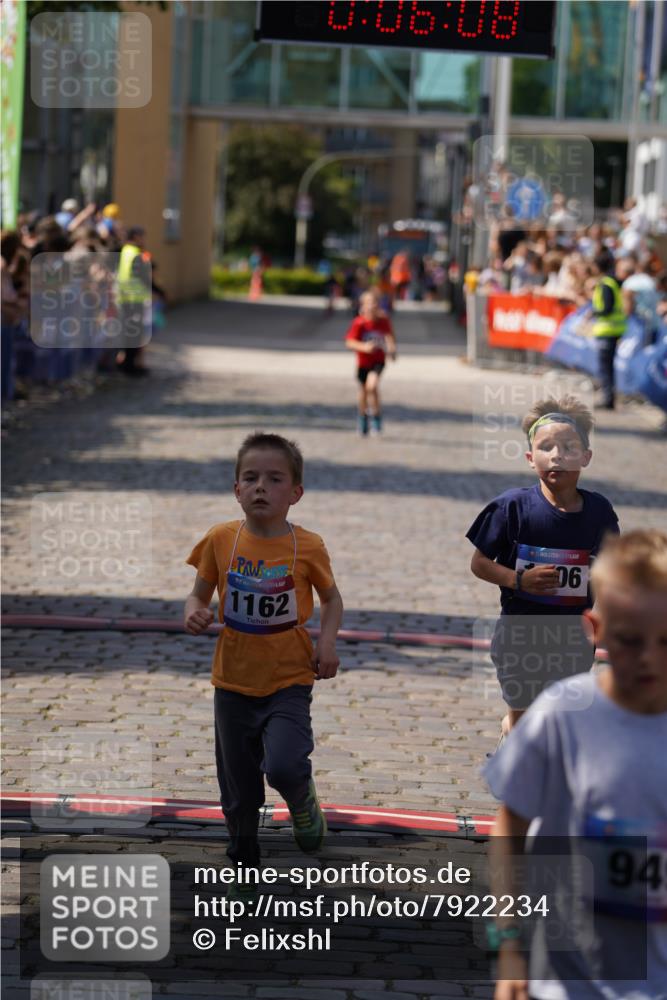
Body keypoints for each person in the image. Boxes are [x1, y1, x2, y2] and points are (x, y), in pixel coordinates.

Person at [485, 529, 667, 1000]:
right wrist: (508, 941)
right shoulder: (562, 714)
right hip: (564, 977)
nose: (649, 659)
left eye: (666, 641)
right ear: (595, 630)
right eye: (630, 640)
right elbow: (510, 825)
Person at [184, 433, 343, 897]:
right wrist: (194, 612)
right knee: (239, 784)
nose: (260, 487)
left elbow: (332, 599)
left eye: (274, 479)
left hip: (289, 679)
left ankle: (302, 801)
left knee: (285, 766)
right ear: (236, 489)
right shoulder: (220, 539)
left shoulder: (307, 546)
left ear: (295, 493)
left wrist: (326, 644)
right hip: (232, 682)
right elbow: (197, 594)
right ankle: (243, 854)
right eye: (250, 478)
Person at [466, 396, 619, 742]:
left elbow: (613, 570)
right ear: (530, 457)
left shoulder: (599, 512)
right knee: (524, 722)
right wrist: (518, 579)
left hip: (574, 636)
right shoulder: (511, 507)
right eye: (546, 447)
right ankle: (514, 738)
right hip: (520, 634)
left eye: (568, 447)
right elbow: (479, 563)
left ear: (586, 457)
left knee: (559, 721)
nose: (556, 455)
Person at [345, 289, 397, 436]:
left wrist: (392, 349)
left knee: (372, 386)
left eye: (374, 303)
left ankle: (376, 416)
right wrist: (364, 347)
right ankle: (363, 417)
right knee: (363, 391)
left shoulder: (383, 320)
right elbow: (349, 342)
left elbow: (389, 336)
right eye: (368, 303)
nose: (371, 306)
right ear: (362, 305)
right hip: (363, 362)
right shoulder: (359, 323)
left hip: (378, 360)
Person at [590, 251, 627, 409]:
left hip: (607, 330)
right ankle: (609, 398)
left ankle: (608, 399)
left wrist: (593, 313)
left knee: (605, 367)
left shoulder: (606, 284)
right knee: (608, 367)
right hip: (614, 329)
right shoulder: (613, 282)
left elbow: (606, 308)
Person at [115, 226, 152, 376]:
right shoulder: (137, 253)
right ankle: (130, 366)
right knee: (135, 334)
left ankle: (126, 364)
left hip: (123, 298)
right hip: (135, 299)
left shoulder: (124, 251)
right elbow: (143, 277)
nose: (144, 240)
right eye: (142, 236)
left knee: (127, 332)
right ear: (136, 236)